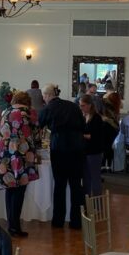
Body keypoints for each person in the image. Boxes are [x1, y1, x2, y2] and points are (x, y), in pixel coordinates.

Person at [0, 91, 39, 237]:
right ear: (27, 102)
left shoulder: (6, 112)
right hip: (20, 155)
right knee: (19, 192)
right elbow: (35, 135)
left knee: (10, 189)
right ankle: (15, 227)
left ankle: (11, 225)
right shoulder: (27, 114)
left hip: (5, 155)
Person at [39, 83, 85, 229]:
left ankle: (58, 220)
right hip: (77, 149)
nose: (43, 99)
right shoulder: (73, 106)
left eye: (43, 96)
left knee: (60, 185)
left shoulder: (48, 108)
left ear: (47, 95)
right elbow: (83, 125)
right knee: (76, 185)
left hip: (59, 149)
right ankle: (76, 221)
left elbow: (39, 125)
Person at [78, 94, 115, 197]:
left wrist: (80, 135)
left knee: (94, 177)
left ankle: (97, 201)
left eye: (83, 105)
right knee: (86, 177)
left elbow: (94, 136)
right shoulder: (83, 116)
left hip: (94, 151)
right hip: (85, 150)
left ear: (90, 105)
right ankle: (87, 200)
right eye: (80, 105)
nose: (81, 107)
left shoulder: (96, 118)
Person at [100, 92, 122, 171]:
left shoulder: (104, 104)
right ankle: (109, 165)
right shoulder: (114, 106)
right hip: (112, 128)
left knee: (104, 146)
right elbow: (116, 119)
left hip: (105, 126)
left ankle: (103, 165)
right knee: (110, 147)